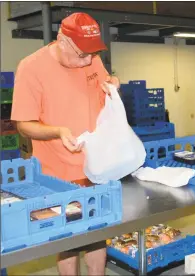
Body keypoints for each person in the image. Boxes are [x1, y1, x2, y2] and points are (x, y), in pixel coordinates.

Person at [11, 13, 120, 275]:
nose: (87, 60)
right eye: (81, 54)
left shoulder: (91, 58)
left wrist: (113, 86)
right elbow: (23, 124)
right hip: (57, 173)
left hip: (95, 166)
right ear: (62, 41)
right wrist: (58, 131)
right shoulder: (31, 68)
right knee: (67, 238)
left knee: (96, 232)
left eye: (91, 54)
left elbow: (103, 85)